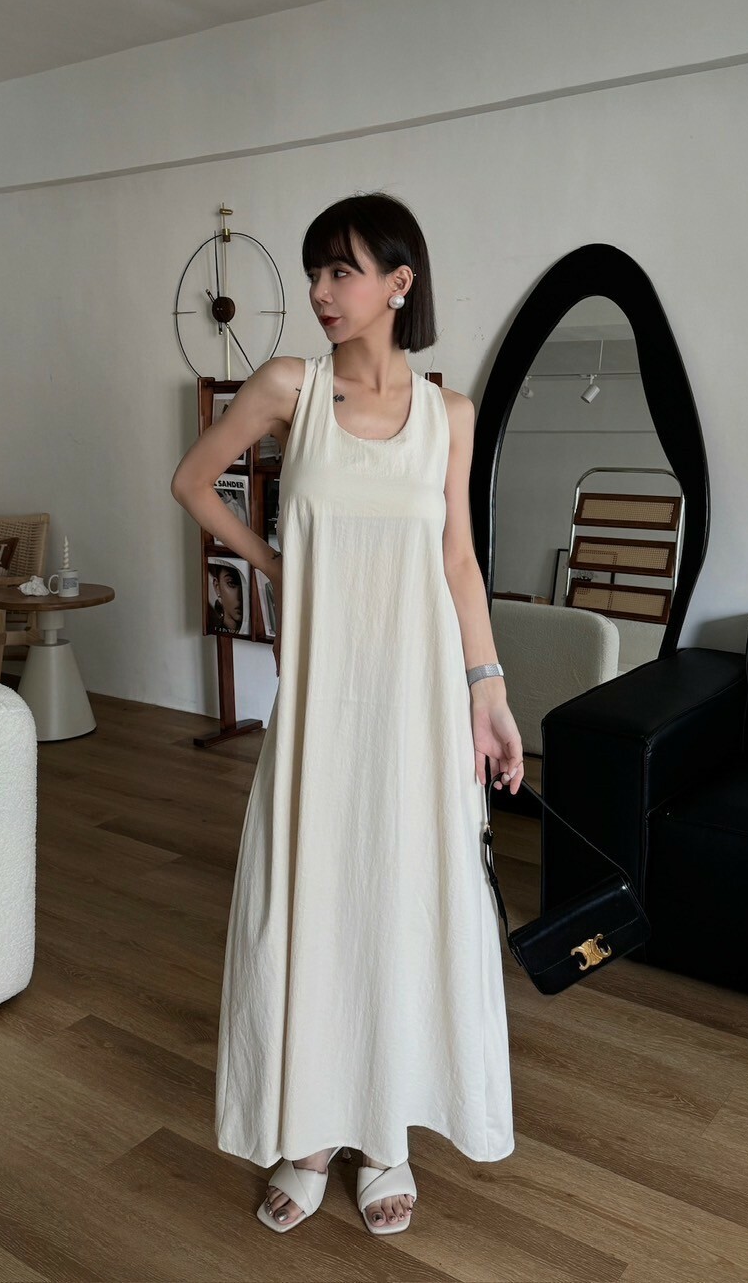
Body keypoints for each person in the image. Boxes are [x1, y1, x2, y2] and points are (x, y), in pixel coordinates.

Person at [171, 191, 524, 1236]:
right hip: (323, 701)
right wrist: (281, 565)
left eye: (342, 270)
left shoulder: (451, 414)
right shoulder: (292, 388)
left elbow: (459, 563)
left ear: (398, 283)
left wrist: (490, 693)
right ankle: (314, 1128)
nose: (322, 291)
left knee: (400, 901)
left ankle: (386, 1134)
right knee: (317, 898)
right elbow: (193, 481)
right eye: (316, 271)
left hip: (421, 700)